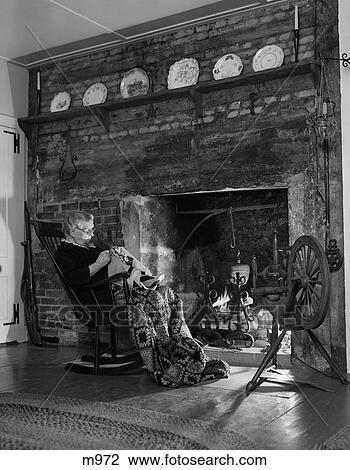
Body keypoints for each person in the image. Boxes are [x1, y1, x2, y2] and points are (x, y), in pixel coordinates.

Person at [55, 211, 230, 387]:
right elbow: (73, 280)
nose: (92, 234)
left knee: (168, 293)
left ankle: (179, 348)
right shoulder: (64, 251)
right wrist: (99, 263)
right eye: (87, 231)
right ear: (72, 231)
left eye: (92, 230)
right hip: (102, 299)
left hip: (122, 289)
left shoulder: (92, 246)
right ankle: (162, 357)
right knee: (154, 297)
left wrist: (115, 256)